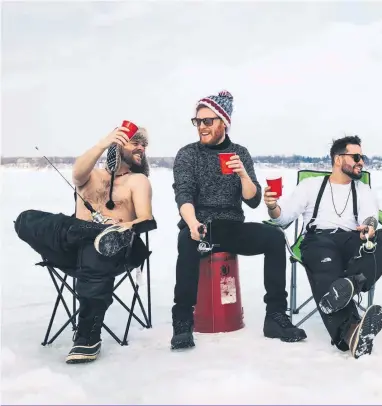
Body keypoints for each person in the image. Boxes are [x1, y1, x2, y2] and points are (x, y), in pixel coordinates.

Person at [170, 90, 306, 350]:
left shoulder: (240, 153)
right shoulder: (188, 154)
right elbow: (183, 195)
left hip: (231, 226)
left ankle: (275, 316)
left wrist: (243, 174)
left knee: (274, 238)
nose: (201, 127)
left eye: (208, 121)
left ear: (223, 122)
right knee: (185, 242)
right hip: (199, 225)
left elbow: (253, 201)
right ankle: (183, 320)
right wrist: (192, 223)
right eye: (197, 121)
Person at [14, 125, 154, 364]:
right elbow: (77, 174)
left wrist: (120, 227)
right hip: (72, 249)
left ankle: (87, 336)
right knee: (26, 218)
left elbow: (146, 219)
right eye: (136, 143)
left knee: (99, 247)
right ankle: (97, 233)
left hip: (112, 254)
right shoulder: (92, 175)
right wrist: (103, 143)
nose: (142, 148)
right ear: (119, 145)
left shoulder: (137, 181)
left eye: (144, 145)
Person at [264, 135, 382, 359]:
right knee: (327, 270)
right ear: (338, 159)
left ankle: (351, 285)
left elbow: (370, 216)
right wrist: (272, 207)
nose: (361, 162)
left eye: (362, 157)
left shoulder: (362, 189)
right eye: (356, 157)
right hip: (319, 239)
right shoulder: (311, 186)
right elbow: (283, 217)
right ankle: (351, 333)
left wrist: (369, 227)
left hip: (352, 238)